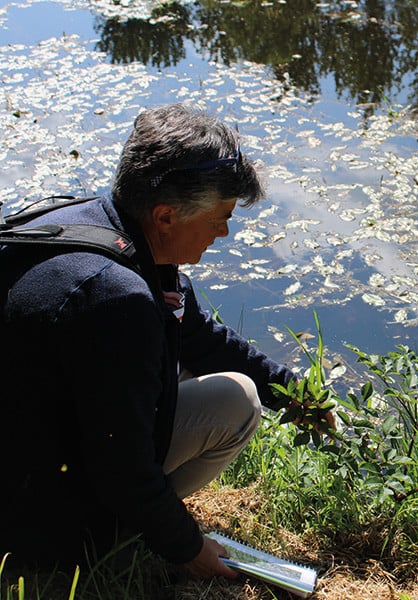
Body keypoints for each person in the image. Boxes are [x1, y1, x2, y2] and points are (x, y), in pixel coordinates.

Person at [0, 104, 318, 578]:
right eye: (220, 217)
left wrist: (296, 395)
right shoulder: (116, 300)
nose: (224, 232)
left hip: (24, 438)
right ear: (166, 216)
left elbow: (200, 338)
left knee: (194, 365)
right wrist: (186, 547)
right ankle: (100, 539)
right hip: (27, 514)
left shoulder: (93, 222)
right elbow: (121, 464)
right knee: (237, 401)